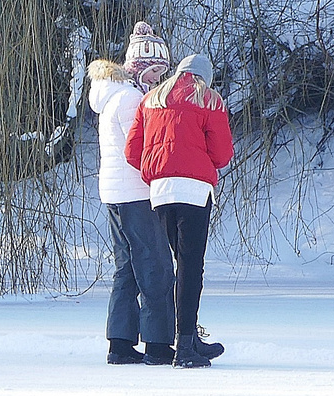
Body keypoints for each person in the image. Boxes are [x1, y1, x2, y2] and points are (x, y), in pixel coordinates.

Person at [124, 53, 233, 368]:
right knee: (190, 266)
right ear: (204, 77)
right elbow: (223, 153)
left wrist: (156, 169)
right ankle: (185, 346)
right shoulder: (209, 101)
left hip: (160, 191)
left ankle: (188, 339)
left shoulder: (151, 99)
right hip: (195, 191)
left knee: (174, 263)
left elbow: (132, 151)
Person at [87, 22, 176, 365]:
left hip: (115, 190)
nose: (157, 81)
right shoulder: (130, 100)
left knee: (127, 265)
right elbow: (139, 149)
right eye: (154, 72)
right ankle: (157, 342)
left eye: (161, 73)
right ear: (139, 67)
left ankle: (121, 342)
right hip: (134, 191)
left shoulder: (114, 95)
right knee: (155, 264)